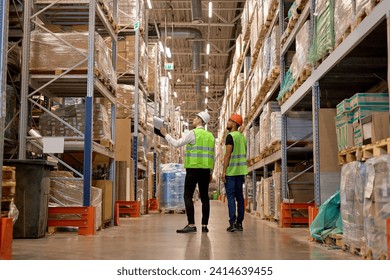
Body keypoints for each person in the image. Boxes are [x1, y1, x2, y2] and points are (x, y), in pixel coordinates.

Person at [160, 111, 215, 233]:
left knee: (187, 196)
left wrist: (165, 135)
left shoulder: (193, 133)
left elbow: (176, 144)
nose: (194, 119)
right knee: (205, 197)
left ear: (200, 120)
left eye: (196, 117)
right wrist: (211, 172)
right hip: (205, 170)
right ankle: (205, 226)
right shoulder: (210, 136)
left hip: (193, 170)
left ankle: (191, 224)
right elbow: (213, 156)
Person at [222, 114, 248, 232]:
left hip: (231, 172)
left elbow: (227, 155)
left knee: (231, 197)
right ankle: (239, 223)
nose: (227, 122)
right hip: (241, 172)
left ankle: (232, 223)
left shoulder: (230, 136)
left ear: (234, 123)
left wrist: (224, 171)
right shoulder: (242, 137)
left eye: (229, 121)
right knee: (240, 197)